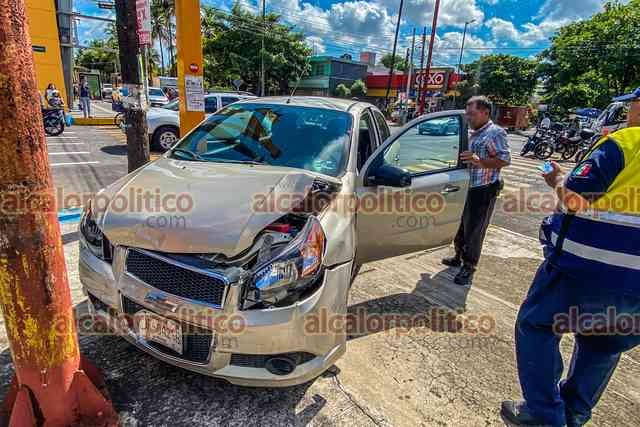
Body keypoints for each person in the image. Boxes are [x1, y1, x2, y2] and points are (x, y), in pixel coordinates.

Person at [501, 88, 640, 426]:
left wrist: (556, 179)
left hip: (585, 269)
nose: (628, 113)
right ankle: (574, 414)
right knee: (604, 345)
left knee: (536, 325)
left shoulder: (625, 143)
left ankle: (545, 415)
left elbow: (575, 199)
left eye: (632, 106)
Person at [441, 96, 511, 286]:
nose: (468, 117)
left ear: (485, 113)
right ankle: (458, 256)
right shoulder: (471, 131)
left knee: (475, 230)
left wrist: (478, 160)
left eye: (472, 114)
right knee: (460, 226)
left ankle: (469, 265)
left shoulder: (495, 133)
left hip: (482, 189)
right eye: (467, 113)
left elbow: (505, 160)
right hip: (464, 187)